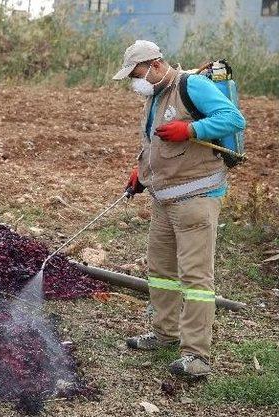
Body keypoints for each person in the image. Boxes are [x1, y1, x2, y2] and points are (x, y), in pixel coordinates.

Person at [112, 40, 246, 377]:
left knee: (196, 278)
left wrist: (191, 129)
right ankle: (164, 333)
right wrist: (141, 173)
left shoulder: (192, 86)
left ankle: (196, 355)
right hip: (164, 198)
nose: (135, 81)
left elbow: (233, 118)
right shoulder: (155, 95)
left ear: (155, 65)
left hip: (196, 198)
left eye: (137, 73)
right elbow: (154, 142)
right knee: (161, 272)